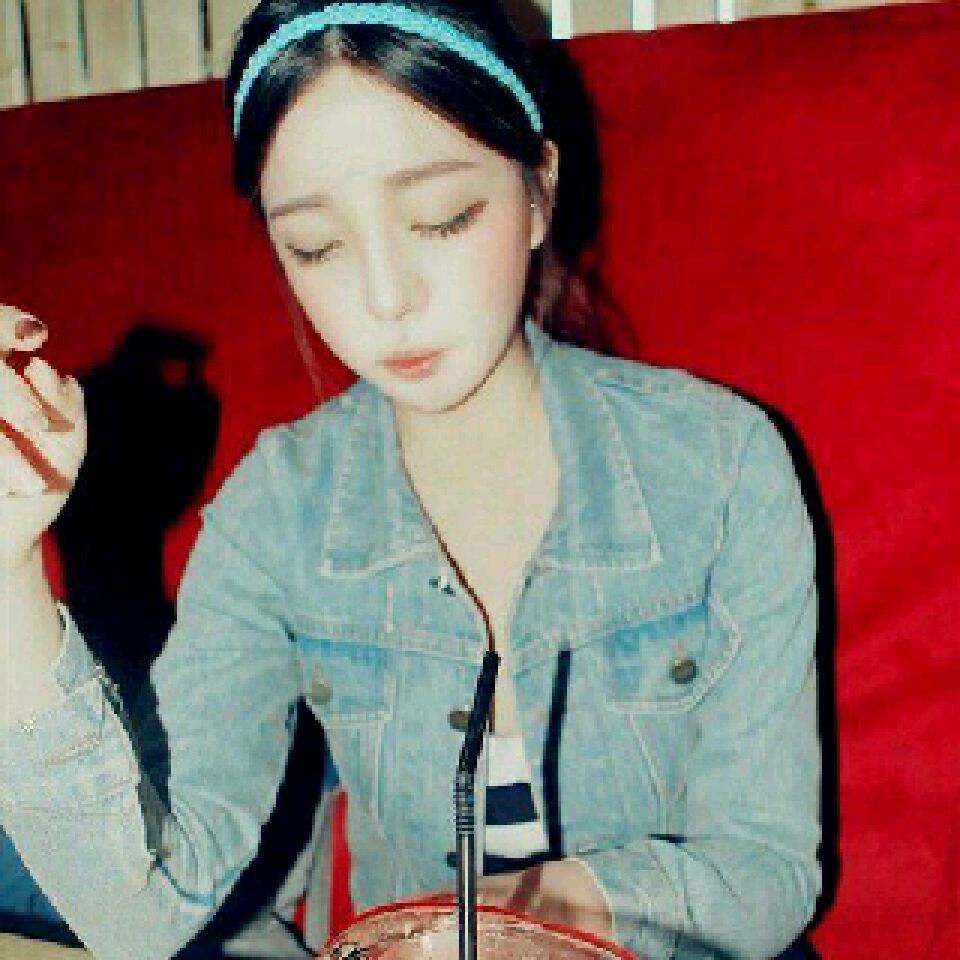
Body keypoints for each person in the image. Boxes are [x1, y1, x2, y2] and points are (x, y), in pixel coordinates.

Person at [0, 2, 821, 958]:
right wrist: (9, 563)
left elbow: (768, 874)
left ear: (539, 189)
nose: (386, 298)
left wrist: (519, 915)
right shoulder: (278, 512)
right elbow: (138, 918)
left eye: (441, 218)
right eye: (316, 244)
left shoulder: (720, 464)